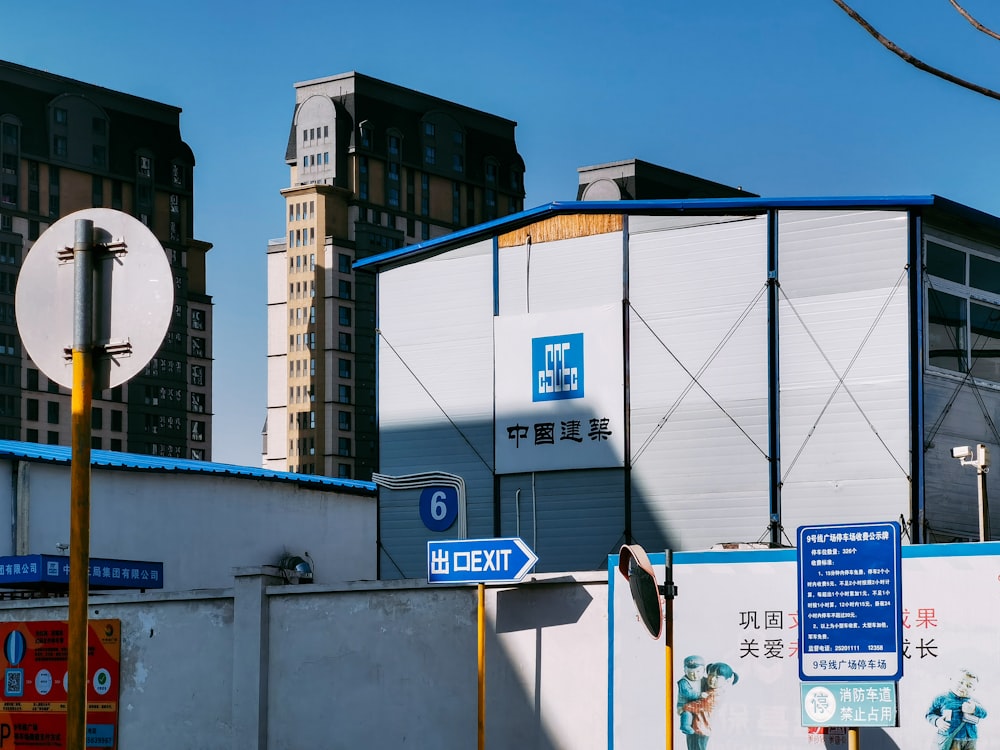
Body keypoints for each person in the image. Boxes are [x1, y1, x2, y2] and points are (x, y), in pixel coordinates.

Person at [680, 662, 739, 750]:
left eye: (717, 677)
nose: (712, 679)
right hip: (695, 726)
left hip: (701, 729)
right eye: (710, 675)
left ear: (727, 681)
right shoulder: (710, 690)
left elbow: (700, 706)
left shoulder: (716, 696)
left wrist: (685, 707)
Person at [926, 668, 988, 750]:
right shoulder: (941, 698)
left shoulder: (974, 702)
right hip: (951, 737)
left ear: (974, 689)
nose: (963, 687)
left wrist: (974, 709)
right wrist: (937, 721)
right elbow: (929, 714)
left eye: (969, 686)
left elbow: (984, 713)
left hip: (971, 739)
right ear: (951, 680)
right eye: (960, 682)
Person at [677, 655, 706, 735]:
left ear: (703, 670)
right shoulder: (683, 682)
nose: (695, 675)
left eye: (698, 671)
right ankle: (685, 726)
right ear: (685, 671)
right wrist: (699, 695)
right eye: (691, 673)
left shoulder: (703, 679)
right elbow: (687, 693)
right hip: (685, 704)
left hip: (698, 704)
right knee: (687, 713)